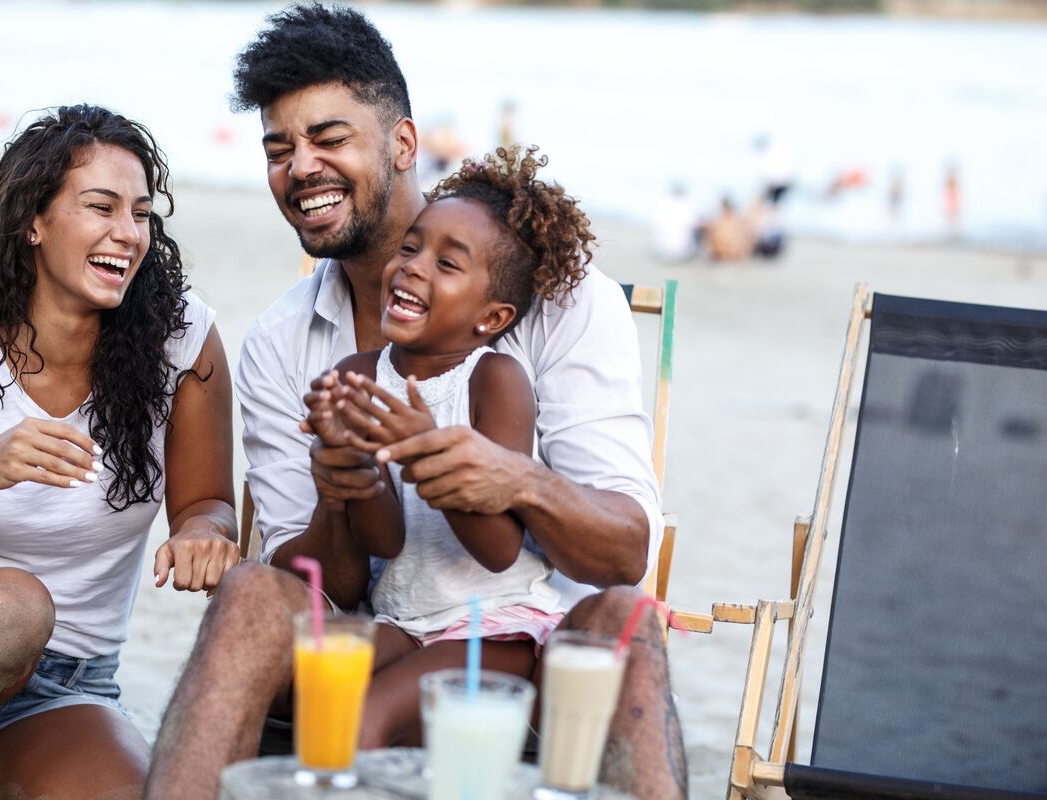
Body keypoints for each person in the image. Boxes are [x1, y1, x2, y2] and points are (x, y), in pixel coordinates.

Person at [146, 6, 685, 800]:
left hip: (533, 635)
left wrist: (513, 480)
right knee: (252, 592)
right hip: (393, 627)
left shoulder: (562, 303)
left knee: (621, 627)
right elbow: (330, 580)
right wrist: (343, 487)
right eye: (278, 149)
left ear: (403, 144)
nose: (300, 168)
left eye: (329, 139)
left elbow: (621, 553)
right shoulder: (283, 343)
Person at [0, 104, 238, 800]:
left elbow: (207, 501)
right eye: (101, 207)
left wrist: (204, 534)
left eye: (142, 213)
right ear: (33, 220)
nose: (129, 233)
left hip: (60, 686)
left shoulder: (181, 342)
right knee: (13, 605)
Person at [298, 146, 589, 736]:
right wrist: (347, 460)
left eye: (448, 265)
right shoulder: (359, 374)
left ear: (491, 317)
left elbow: (498, 548)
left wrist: (424, 447)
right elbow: (385, 537)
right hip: (401, 616)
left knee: (362, 720)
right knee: (312, 696)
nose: (413, 266)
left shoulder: (495, 381)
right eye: (411, 247)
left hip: (493, 622)